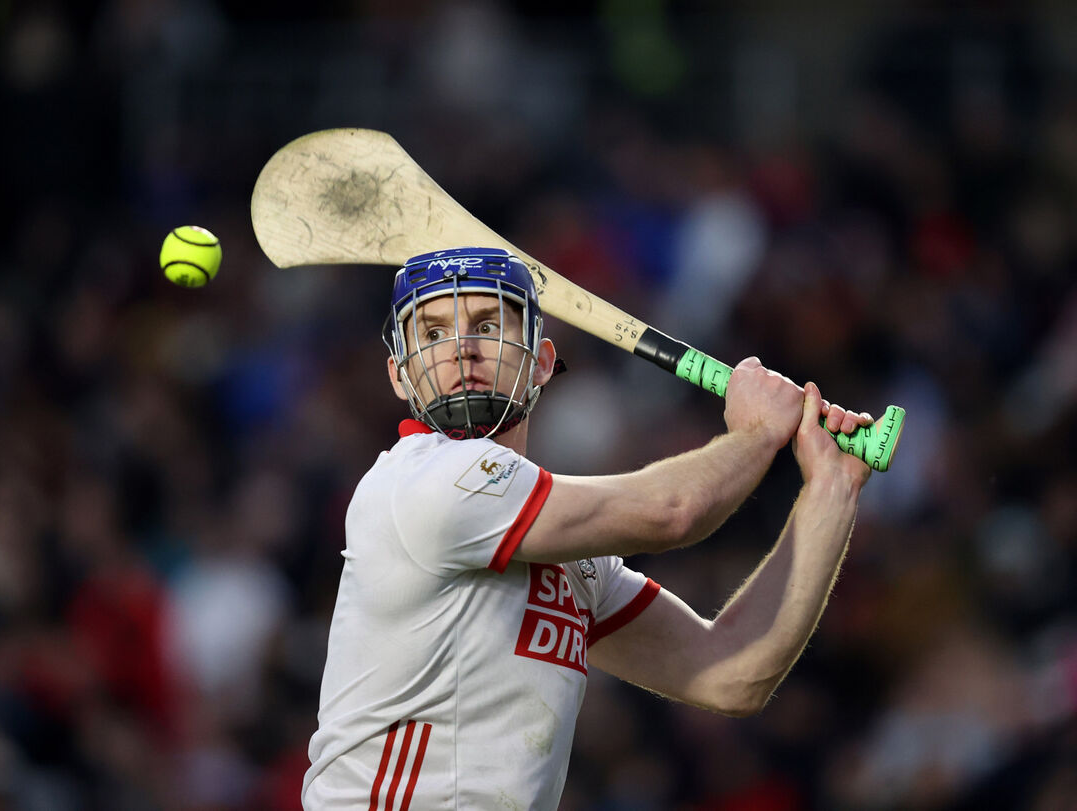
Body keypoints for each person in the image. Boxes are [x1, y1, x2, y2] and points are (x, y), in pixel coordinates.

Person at [302, 246, 874, 809]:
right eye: (431, 334)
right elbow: (674, 511)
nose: (461, 350)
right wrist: (755, 434)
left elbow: (732, 673)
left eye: (485, 323)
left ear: (542, 362)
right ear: (400, 376)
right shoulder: (421, 480)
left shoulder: (573, 556)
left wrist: (831, 490)